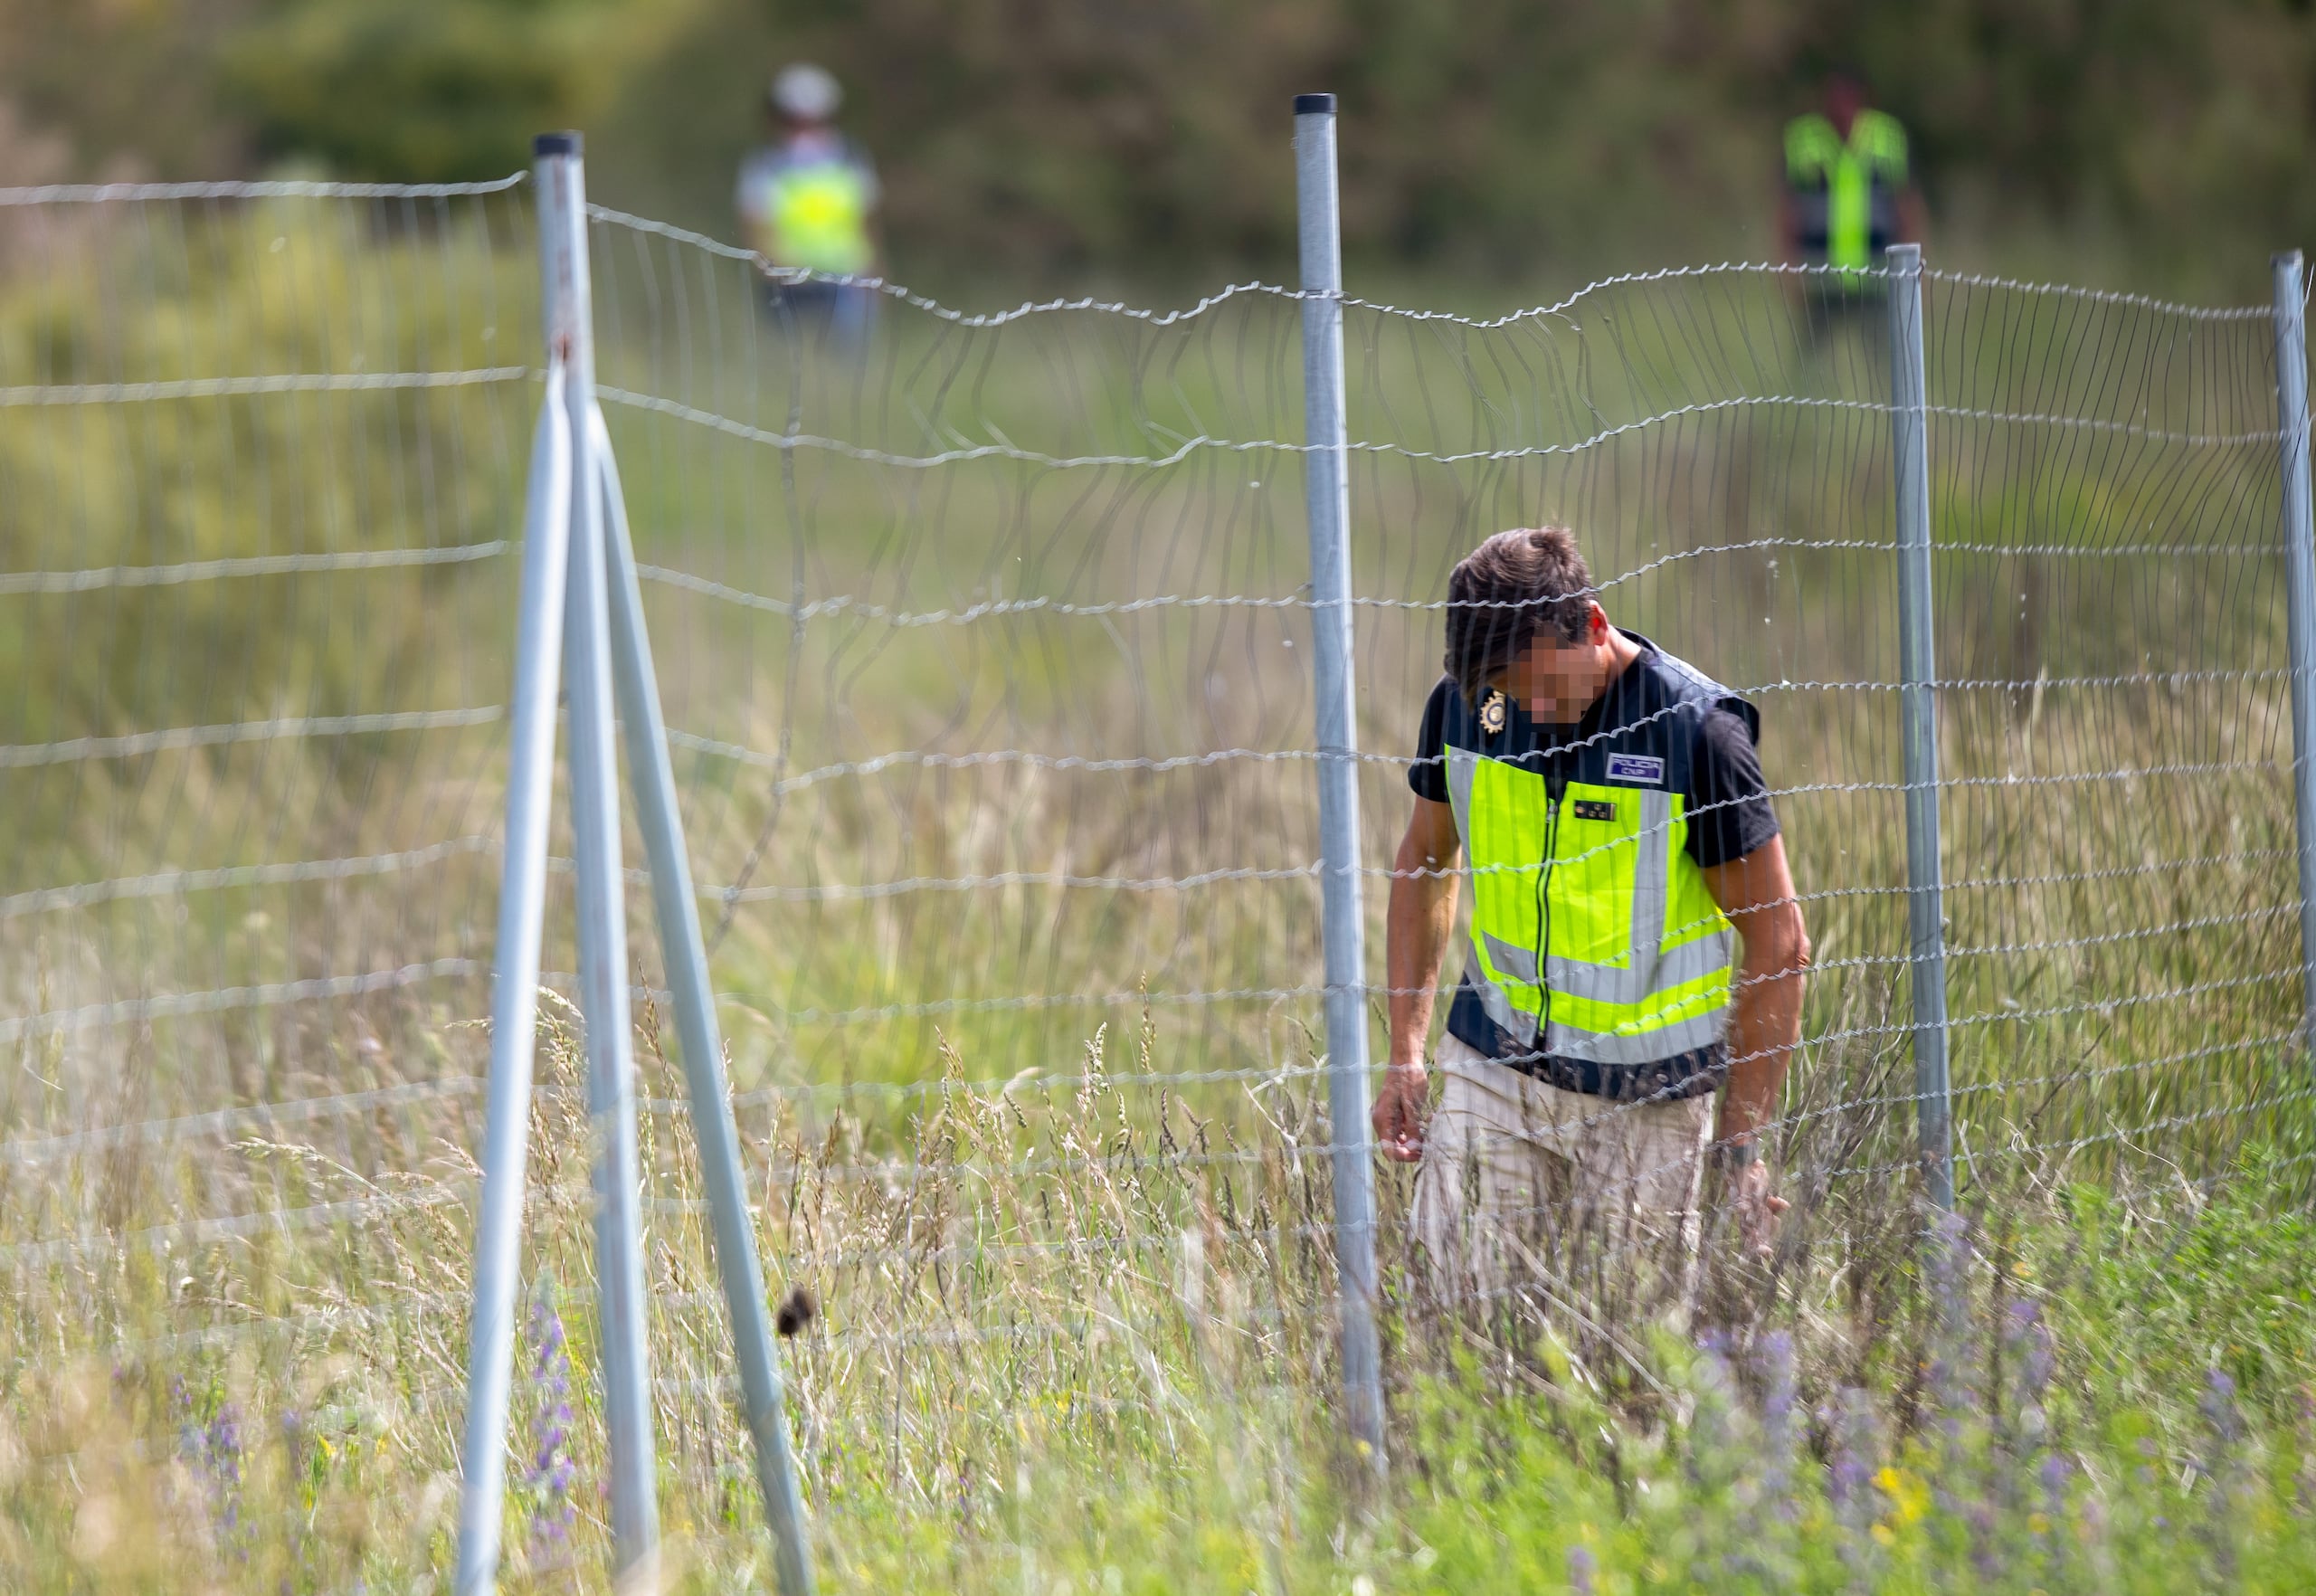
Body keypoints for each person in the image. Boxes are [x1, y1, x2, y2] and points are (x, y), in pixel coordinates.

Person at [1372, 527, 1810, 1314]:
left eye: (1541, 684)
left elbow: (1781, 945)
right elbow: (1425, 862)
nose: (1528, 709)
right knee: (1446, 1338)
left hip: (1649, 1109)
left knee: (1631, 1377)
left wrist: (1740, 1146)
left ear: (1596, 625)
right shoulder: (1469, 708)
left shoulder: (1698, 736)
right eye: (1505, 688)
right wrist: (1407, 1053)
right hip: (1492, 1079)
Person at [736, 63, 880, 343]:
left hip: (847, 281)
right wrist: (771, 267)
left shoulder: (852, 159)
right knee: (792, 369)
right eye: (794, 118)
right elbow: (754, 224)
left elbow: (868, 222)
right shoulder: (765, 164)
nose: (805, 126)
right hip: (786, 284)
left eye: (815, 118)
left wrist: (876, 275)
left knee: (849, 372)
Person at [1780, 75, 1922, 327]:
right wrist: (1788, 266)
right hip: (1820, 273)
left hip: (1877, 272)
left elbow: (1907, 205)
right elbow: (1789, 208)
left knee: (1883, 357)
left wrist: (1912, 271)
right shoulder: (1804, 138)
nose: (1842, 109)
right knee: (1810, 360)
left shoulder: (1887, 137)